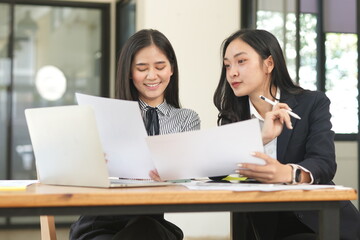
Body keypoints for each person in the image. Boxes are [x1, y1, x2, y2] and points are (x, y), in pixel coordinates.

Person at [213, 29, 359, 240]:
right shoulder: (233, 115)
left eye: (241, 61)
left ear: (269, 64)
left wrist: (288, 174)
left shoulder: (312, 103)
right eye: (227, 65)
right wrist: (261, 137)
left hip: (318, 221)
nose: (232, 73)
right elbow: (216, 172)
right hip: (264, 225)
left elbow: (324, 162)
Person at [69, 29, 200, 240]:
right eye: (141, 68)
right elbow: (75, 176)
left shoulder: (186, 119)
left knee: (147, 230)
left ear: (172, 69)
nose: (152, 76)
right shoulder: (105, 114)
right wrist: (90, 165)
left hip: (150, 222)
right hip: (100, 222)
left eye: (160, 67)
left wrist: (176, 174)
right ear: (130, 72)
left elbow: (188, 177)